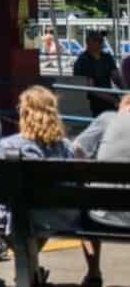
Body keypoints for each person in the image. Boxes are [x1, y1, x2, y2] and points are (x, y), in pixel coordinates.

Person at [0, 86, 78, 286]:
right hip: (55, 218)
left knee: (13, 217)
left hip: (16, 217)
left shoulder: (7, 146)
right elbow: (74, 186)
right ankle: (32, 271)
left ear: (23, 113)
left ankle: (28, 271)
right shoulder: (65, 147)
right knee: (39, 215)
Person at [73, 93, 130, 287]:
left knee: (84, 200)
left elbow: (75, 151)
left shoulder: (107, 119)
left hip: (100, 219)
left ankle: (94, 272)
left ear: (124, 105)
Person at [73, 30, 123, 117]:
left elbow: (116, 77)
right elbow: (91, 89)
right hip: (92, 102)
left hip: (109, 95)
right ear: (88, 42)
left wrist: (126, 92)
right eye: (97, 40)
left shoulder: (107, 57)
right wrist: (113, 100)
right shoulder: (83, 61)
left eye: (101, 40)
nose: (101, 42)